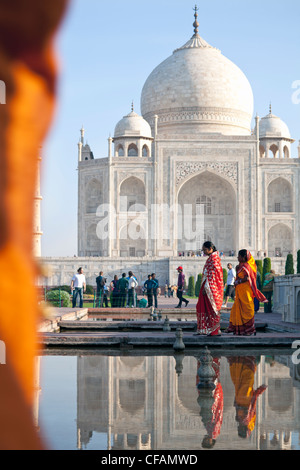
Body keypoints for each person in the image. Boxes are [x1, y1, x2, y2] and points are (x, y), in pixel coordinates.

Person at [226, 250, 267, 336]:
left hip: (246, 291)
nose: (238, 257)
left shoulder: (247, 266)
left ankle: (249, 330)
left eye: (239, 256)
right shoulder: (239, 266)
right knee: (236, 309)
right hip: (240, 291)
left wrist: (239, 281)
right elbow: (237, 276)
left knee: (247, 309)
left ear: (244, 257)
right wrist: (236, 282)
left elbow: (247, 278)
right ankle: (237, 329)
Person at [195, 242, 224, 336]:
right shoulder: (211, 258)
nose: (204, 252)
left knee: (211, 308)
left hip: (210, 288)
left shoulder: (214, 259)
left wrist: (207, 287)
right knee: (203, 307)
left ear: (211, 248)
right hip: (207, 286)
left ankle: (214, 330)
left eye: (205, 250)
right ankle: (206, 329)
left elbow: (213, 274)